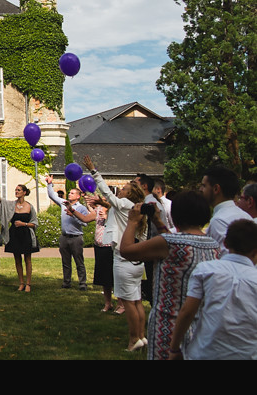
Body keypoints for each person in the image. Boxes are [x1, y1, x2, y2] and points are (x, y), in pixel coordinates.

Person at [119, 190, 219, 360]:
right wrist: (157, 221)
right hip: (203, 324)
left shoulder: (169, 243)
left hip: (169, 324)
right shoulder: (213, 243)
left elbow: (127, 251)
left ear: (177, 214)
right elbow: (173, 241)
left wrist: (132, 222)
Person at [84, 154, 148, 352]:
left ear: (130, 195)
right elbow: (112, 204)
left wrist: (94, 170)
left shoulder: (124, 204)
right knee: (136, 300)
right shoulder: (135, 208)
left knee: (129, 303)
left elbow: (107, 192)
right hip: (138, 262)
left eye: (124, 189)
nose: (120, 190)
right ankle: (142, 337)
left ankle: (133, 340)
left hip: (123, 258)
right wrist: (103, 203)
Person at [168, 219, 257, 360]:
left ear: (226, 243)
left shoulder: (206, 269)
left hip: (205, 351)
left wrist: (174, 348)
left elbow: (187, 312)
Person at [47, 176, 94, 290]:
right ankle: (66, 282)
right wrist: (49, 184)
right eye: (69, 193)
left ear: (78, 196)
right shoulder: (64, 203)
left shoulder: (81, 208)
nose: (69, 194)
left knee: (79, 261)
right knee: (65, 262)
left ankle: (82, 283)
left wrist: (73, 215)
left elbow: (85, 223)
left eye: (72, 193)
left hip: (76, 238)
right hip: (64, 237)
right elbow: (52, 196)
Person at [199, 165, 250, 255]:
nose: (200, 190)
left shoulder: (219, 221)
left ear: (216, 189)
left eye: (204, 186)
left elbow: (226, 258)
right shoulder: (244, 215)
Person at [2, 183, 39, 292]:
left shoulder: (29, 206)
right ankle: (21, 283)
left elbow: (35, 223)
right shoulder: (11, 205)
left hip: (26, 234)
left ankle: (28, 284)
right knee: (17, 259)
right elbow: (1, 201)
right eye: (15, 190)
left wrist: (24, 224)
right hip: (14, 234)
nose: (16, 192)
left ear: (24, 192)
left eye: (18, 190)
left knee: (27, 259)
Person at [86, 194, 119, 313]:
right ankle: (108, 303)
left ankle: (121, 304)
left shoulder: (115, 211)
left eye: (105, 199)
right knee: (104, 277)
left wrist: (107, 217)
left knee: (114, 276)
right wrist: (72, 210)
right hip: (99, 246)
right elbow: (86, 218)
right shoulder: (98, 210)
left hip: (110, 246)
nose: (102, 201)